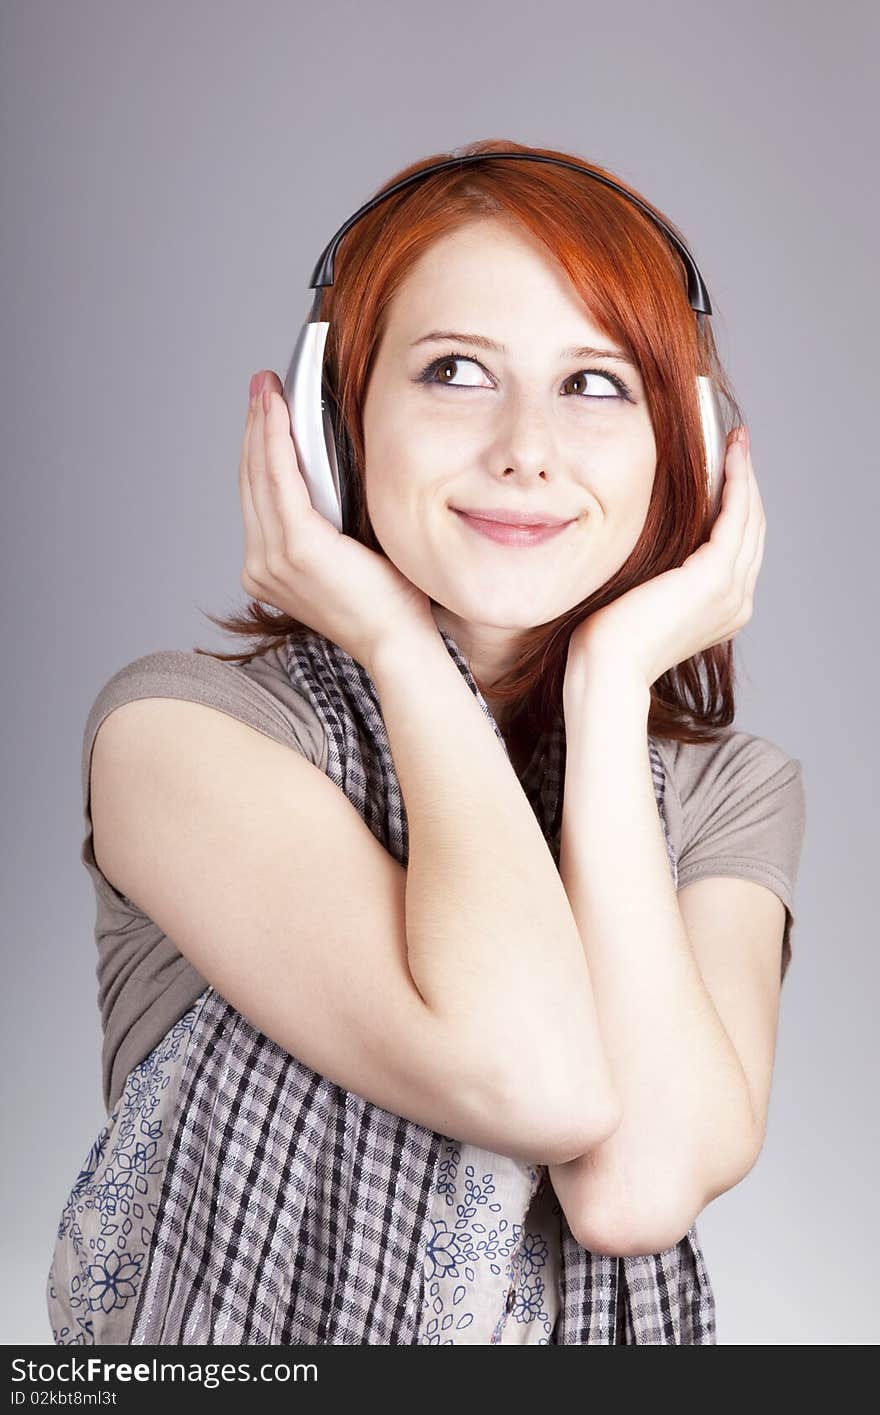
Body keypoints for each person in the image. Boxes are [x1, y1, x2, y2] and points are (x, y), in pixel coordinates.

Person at [47, 139, 805, 1345]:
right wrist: (397, 647)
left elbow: (634, 1187)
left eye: (596, 383)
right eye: (455, 369)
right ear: (332, 422)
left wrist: (609, 689)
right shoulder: (176, 731)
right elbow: (530, 1074)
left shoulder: (731, 791)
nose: (525, 447)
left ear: (693, 448)